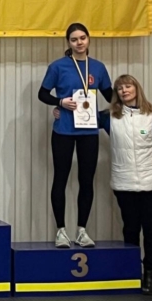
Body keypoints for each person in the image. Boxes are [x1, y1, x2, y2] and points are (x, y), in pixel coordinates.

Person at [38, 23, 112, 248]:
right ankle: (61, 231)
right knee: (60, 178)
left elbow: (110, 96)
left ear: (88, 39)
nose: (79, 43)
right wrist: (60, 102)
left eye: (82, 38)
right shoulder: (58, 66)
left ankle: (82, 230)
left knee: (86, 180)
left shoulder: (98, 67)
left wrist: (135, 105)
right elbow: (43, 94)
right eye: (74, 39)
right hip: (64, 130)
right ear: (68, 43)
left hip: (89, 132)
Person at [99, 74, 152, 295]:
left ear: (136, 88)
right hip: (123, 183)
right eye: (120, 88)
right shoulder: (109, 117)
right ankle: (132, 274)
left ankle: (150, 272)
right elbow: (82, 117)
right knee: (130, 229)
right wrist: (59, 111)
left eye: (128, 86)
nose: (124, 90)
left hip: (151, 183)